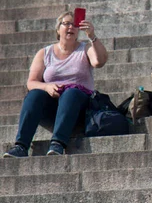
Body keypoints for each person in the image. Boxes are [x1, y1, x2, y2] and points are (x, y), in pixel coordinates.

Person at [3, 10, 108, 157]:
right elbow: (31, 82)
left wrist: (92, 36)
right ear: (58, 29)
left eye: (75, 25)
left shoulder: (85, 49)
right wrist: (46, 86)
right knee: (34, 95)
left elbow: (99, 62)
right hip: (53, 107)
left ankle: (58, 143)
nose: (71, 27)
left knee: (70, 93)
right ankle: (21, 146)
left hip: (80, 107)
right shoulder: (45, 53)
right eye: (66, 24)